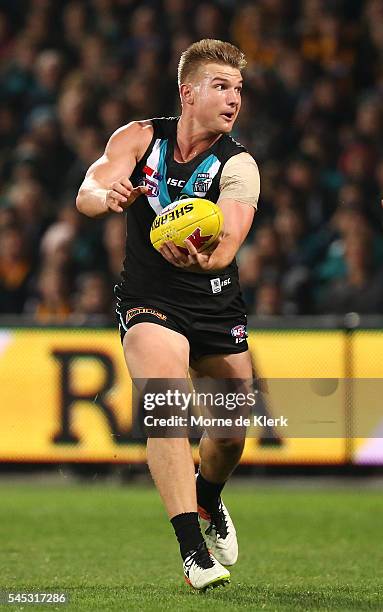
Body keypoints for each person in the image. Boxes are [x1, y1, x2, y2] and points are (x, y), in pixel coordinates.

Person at [76, 39, 260, 591]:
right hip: (149, 302)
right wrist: (106, 197)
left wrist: (206, 256)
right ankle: (192, 552)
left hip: (215, 305)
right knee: (167, 402)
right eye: (221, 87)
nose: (233, 100)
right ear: (188, 91)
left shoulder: (240, 164)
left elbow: (227, 245)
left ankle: (208, 497)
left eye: (239, 90)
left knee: (229, 434)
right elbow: (88, 188)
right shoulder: (137, 138)